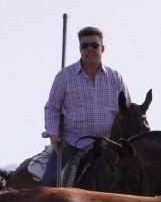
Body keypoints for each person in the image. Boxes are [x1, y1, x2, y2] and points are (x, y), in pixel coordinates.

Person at [41, 26, 130, 187]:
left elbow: (126, 111)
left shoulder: (115, 78)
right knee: (49, 183)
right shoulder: (64, 76)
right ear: (80, 49)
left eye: (94, 45)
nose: (90, 49)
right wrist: (53, 133)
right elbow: (52, 108)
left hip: (108, 144)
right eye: (85, 45)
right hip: (72, 143)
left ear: (102, 49)